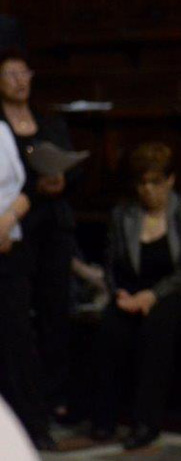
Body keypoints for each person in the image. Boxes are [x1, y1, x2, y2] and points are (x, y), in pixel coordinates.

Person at [93, 141, 181, 451]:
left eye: (155, 182)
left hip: (179, 293)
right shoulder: (123, 215)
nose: (148, 190)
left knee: (158, 324)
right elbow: (112, 264)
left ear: (170, 180)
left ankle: (147, 422)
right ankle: (104, 418)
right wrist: (120, 293)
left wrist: (152, 295)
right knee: (111, 324)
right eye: (142, 183)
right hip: (134, 293)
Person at [0, 50, 76, 421]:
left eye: (24, 73)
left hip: (52, 224)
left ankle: (55, 395)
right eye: (11, 74)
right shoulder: (1, 128)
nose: (20, 81)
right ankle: (26, 406)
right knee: (17, 318)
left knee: (55, 309)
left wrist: (61, 179)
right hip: (18, 229)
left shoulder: (49, 122)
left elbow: (70, 163)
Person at [0, 117, 56, 450]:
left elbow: (25, 186)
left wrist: (8, 221)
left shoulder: (3, 130)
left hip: (12, 246)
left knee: (17, 338)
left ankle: (33, 426)